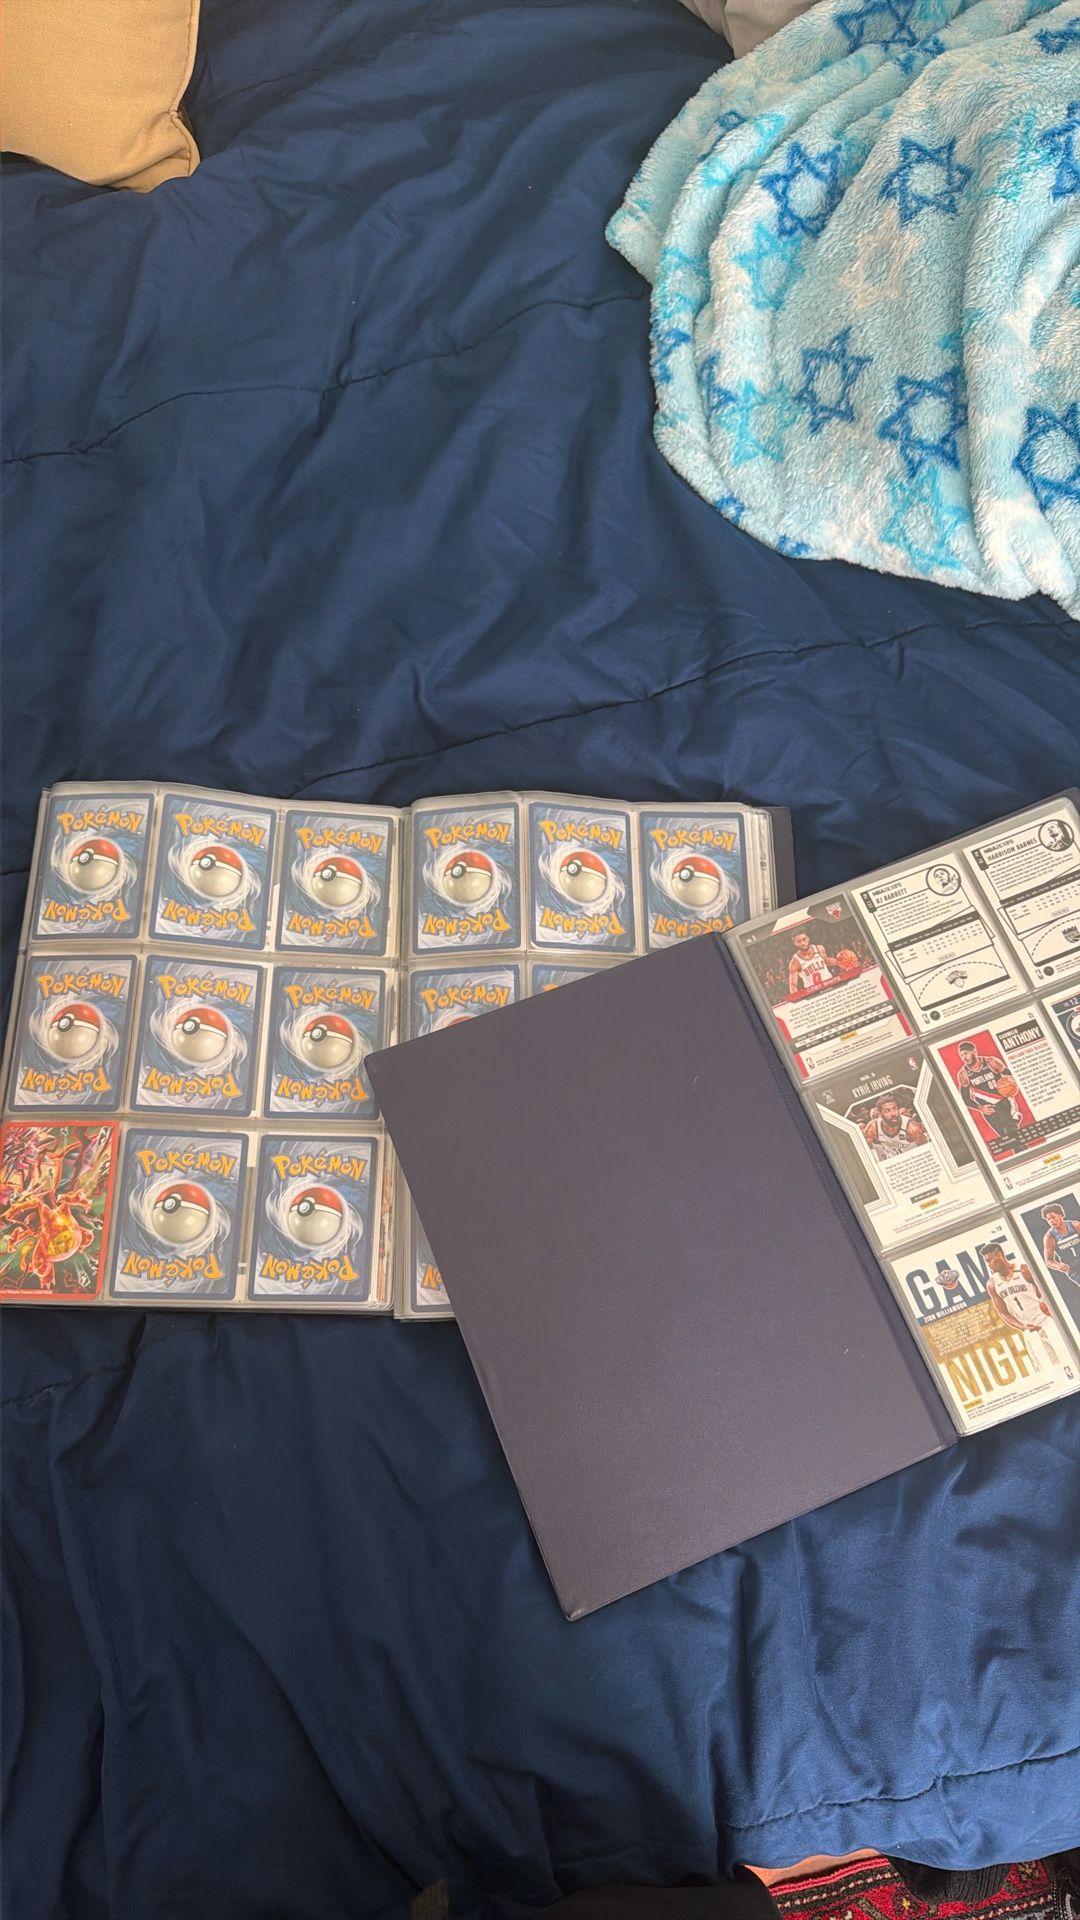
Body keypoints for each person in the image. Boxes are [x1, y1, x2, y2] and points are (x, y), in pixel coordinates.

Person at [981, 1242, 1061, 1370]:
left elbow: (1046, 1292)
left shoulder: (1024, 1269)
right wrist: (1023, 1327)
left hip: (1047, 1321)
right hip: (1030, 1329)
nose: (988, 1264)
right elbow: (1003, 1313)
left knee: (1068, 1356)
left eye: (990, 1260)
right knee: (1047, 1368)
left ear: (1000, 1256)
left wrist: (1045, 1304)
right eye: (987, 1261)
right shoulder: (992, 1284)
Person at [955, 1040, 1022, 1143]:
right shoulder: (963, 1074)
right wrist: (980, 1107)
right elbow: (964, 1099)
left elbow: (1011, 1075)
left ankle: (1014, 1117)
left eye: (966, 1053)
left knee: (1013, 1137)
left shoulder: (991, 1062)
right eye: (961, 1055)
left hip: (1005, 1104)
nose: (964, 1057)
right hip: (990, 1112)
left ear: (974, 1051)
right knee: (1011, 1141)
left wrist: (1010, 1085)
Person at [863, 1095, 925, 1160]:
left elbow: (926, 1148)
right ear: (880, 1114)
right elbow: (865, 1150)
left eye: (894, 1108)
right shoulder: (873, 1126)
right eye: (887, 1110)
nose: (893, 1113)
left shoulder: (911, 1127)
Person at [1041, 1202, 1080, 1290]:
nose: (1051, 1221)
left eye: (1053, 1217)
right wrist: (1058, 1266)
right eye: (1048, 1219)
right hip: (1074, 1269)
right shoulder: (1049, 1237)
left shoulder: (1076, 1225)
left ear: (1061, 1215)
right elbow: (1048, 1260)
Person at [787, 929, 835, 995]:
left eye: (804, 939)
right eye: (799, 941)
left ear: (808, 938)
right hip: (814, 993)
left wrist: (839, 961)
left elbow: (826, 961)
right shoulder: (795, 962)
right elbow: (793, 986)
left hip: (830, 986)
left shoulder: (819, 948)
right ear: (795, 943)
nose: (802, 943)